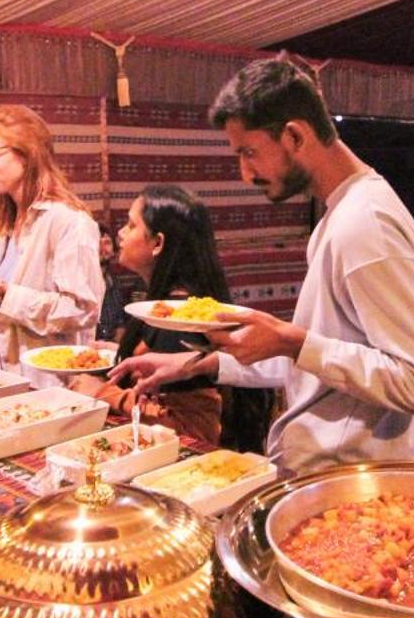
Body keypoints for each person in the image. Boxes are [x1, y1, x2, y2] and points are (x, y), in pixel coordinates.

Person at [112, 58, 414, 473]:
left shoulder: (366, 223)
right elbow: (328, 358)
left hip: (349, 479)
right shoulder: (341, 213)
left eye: (249, 153)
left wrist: (294, 342)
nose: (244, 173)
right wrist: (207, 364)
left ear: (294, 135)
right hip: (326, 468)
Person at [72, 184, 271, 451]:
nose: (120, 233)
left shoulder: (177, 320)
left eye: (131, 226)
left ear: (158, 243)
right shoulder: (173, 305)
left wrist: (100, 393)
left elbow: (193, 431)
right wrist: (122, 352)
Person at [0, 105, 102, 383]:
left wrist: (0, 290)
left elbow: (82, 310)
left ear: (28, 153)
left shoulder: (69, 221)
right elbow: (13, 305)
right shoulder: (10, 223)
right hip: (10, 373)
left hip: (53, 381)